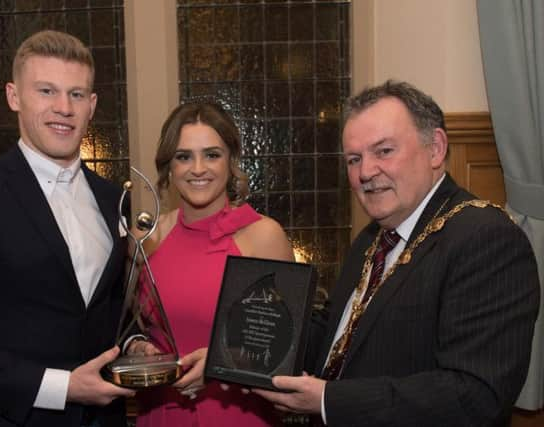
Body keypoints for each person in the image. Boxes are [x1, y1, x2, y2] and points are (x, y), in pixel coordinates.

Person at [253, 80, 540, 427]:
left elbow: (476, 396)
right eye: (354, 159)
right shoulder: (371, 238)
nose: (365, 173)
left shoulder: (485, 238)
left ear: (435, 148)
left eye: (384, 151)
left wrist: (328, 400)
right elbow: (333, 336)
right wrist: (245, 350)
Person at [0, 30, 136, 427]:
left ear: (92, 105)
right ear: (14, 97)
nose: (64, 107)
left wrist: (137, 345)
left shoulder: (113, 198)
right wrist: (61, 387)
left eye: (77, 94)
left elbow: (112, 312)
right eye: (46, 91)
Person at [132, 102, 295, 427]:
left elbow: (287, 346)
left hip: (237, 414)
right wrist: (137, 347)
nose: (198, 168)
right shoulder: (147, 236)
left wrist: (222, 363)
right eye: (183, 156)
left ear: (231, 161)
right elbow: (130, 324)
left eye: (211, 154)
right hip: (160, 414)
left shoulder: (263, 236)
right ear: (169, 166)